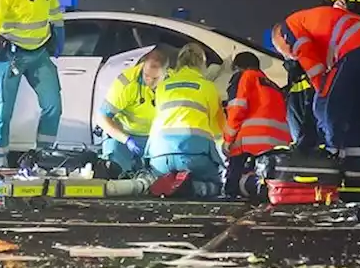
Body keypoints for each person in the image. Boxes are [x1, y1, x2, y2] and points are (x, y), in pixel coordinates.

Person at [271, 6, 360, 169]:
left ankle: (331, 153)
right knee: (357, 109)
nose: (289, 56)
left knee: (326, 104)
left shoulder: (288, 28)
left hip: (357, 46)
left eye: (282, 51)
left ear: (280, 37)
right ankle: (354, 163)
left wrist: (321, 90)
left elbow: (310, 61)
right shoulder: (316, 27)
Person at [0, 0, 64, 173]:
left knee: (53, 106)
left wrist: (59, 32)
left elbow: (55, 13)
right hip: (11, 56)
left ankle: (44, 157)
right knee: (2, 112)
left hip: (39, 54)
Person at [145, 43, 226, 197]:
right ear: (202, 64)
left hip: (159, 157)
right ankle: (192, 188)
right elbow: (218, 130)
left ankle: (167, 184)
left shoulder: (163, 86)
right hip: (193, 156)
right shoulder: (207, 87)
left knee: (157, 178)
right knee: (219, 183)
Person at [222, 52, 291, 197]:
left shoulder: (244, 77)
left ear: (238, 67)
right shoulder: (273, 86)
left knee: (232, 188)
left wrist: (228, 140)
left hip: (250, 144)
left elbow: (236, 109)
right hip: (276, 147)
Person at [95, 47, 169, 176]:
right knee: (115, 174)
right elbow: (102, 118)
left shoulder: (171, 82)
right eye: (146, 75)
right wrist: (126, 139)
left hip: (154, 138)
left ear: (166, 73)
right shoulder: (126, 83)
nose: (149, 81)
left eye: (155, 78)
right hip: (124, 135)